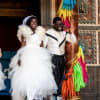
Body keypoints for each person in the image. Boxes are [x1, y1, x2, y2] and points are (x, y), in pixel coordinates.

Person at [9, 15, 57, 100]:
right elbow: (22, 46)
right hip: (28, 56)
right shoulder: (25, 33)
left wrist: (44, 56)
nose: (34, 23)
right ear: (29, 23)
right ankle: (30, 97)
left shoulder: (40, 33)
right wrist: (20, 58)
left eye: (35, 22)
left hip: (39, 56)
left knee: (40, 78)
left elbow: (42, 45)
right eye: (32, 22)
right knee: (29, 78)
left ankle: (37, 97)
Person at [43, 17, 77, 100]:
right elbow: (43, 45)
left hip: (61, 57)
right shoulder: (48, 33)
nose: (60, 26)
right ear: (54, 24)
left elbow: (73, 40)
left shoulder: (64, 33)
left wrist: (70, 32)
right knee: (54, 76)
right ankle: (51, 95)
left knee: (60, 76)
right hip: (52, 57)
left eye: (61, 24)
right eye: (58, 24)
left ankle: (58, 96)